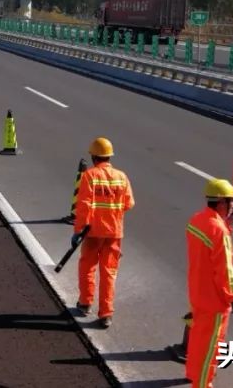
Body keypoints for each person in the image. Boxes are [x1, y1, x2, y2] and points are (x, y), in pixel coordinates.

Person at [185, 178, 233, 388]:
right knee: (210, 349)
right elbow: (224, 268)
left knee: (198, 340)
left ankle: (193, 374)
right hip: (215, 300)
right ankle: (202, 384)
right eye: (231, 202)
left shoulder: (197, 219)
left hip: (198, 292)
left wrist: (226, 224)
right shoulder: (219, 230)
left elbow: (209, 250)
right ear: (221, 204)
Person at [73, 137, 134, 329]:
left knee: (87, 267)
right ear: (109, 156)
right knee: (109, 273)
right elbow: (129, 203)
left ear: (93, 157)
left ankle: (85, 303)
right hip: (114, 233)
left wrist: (78, 231)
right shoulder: (121, 177)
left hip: (92, 232)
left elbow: (83, 207)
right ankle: (106, 313)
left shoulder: (90, 176)